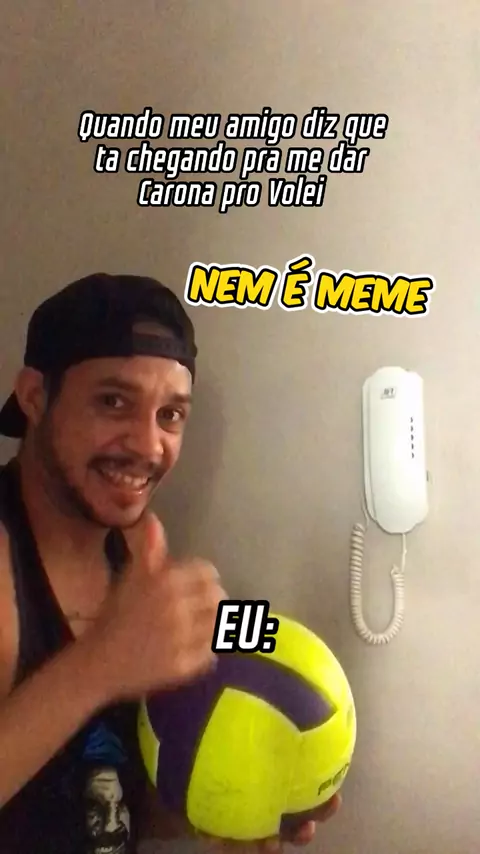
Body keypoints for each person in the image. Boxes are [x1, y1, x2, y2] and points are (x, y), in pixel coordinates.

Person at [0, 272, 340, 853]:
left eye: (171, 415)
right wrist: (101, 663)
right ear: (35, 397)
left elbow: (100, 791)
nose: (148, 445)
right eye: (113, 402)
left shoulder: (140, 555)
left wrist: (231, 808)